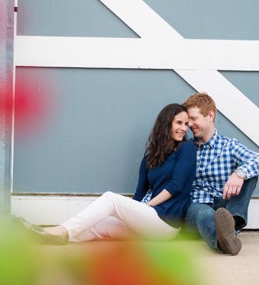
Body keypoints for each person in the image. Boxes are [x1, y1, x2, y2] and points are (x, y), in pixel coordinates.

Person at [29, 103, 196, 244]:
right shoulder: (150, 159)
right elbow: (138, 195)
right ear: (166, 124)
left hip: (167, 224)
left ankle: (60, 230)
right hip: (149, 222)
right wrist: (132, 213)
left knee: (111, 199)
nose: (183, 128)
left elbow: (176, 185)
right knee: (101, 225)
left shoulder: (186, 149)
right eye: (179, 123)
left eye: (185, 124)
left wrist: (146, 207)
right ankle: (44, 236)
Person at [182, 92, 259, 256]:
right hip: (197, 206)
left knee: (250, 175)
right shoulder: (185, 148)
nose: (189, 125)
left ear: (210, 115)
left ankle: (232, 225)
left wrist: (239, 174)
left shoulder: (229, 146)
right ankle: (223, 240)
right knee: (204, 214)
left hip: (225, 205)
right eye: (188, 121)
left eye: (194, 119)